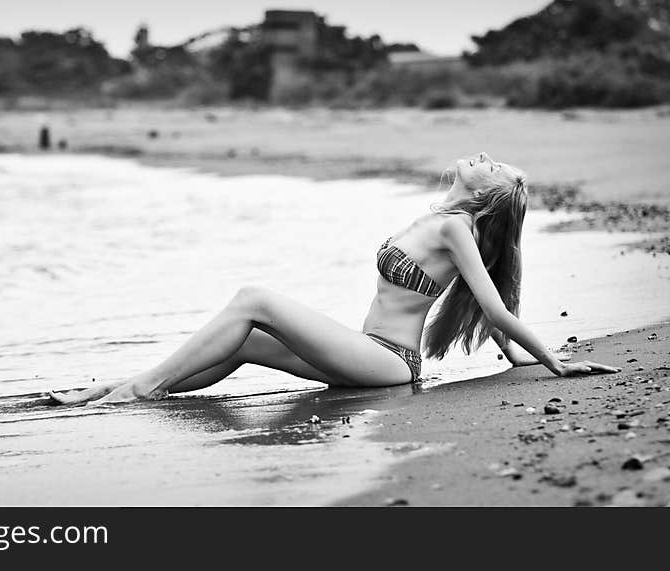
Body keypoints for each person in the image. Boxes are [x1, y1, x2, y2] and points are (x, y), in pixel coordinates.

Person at [49, 152, 620, 405]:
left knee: (254, 298)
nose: (484, 157)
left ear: (484, 196)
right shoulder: (438, 220)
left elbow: (494, 308)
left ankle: (136, 390)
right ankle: (134, 388)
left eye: (494, 167)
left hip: (391, 363)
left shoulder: (457, 232)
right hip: (366, 354)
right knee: (245, 340)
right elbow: (479, 300)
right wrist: (515, 359)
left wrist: (551, 363)